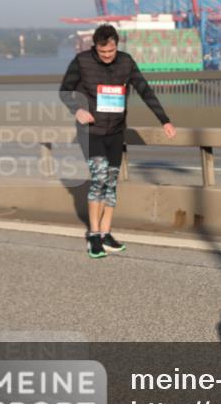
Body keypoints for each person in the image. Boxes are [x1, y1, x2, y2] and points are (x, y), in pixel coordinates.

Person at [59, 24, 176, 258]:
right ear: (95, 47)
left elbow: (145, 90)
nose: (107, 56)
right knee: (99, 178)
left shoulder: (126, 62)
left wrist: (164, 120)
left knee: (111, 182)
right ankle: (93, 236)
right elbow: (64, 90)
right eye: (102, 52)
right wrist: (77, 110)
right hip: (90, 131)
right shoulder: (82, 61)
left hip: (115, 131)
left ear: (116, 45)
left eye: (110, 51)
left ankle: (106, 234)